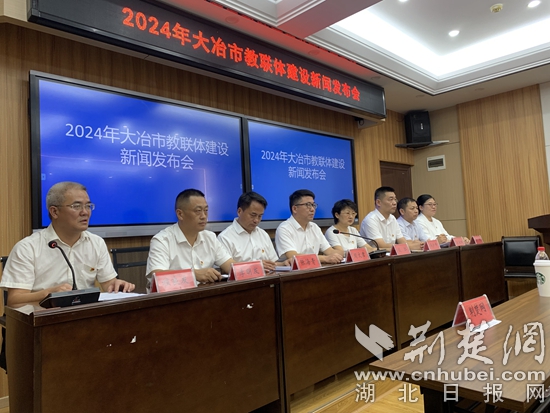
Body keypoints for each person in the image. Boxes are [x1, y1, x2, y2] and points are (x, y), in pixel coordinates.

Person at [0, 182, 135, 306]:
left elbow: (108, 284)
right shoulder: (27, 248)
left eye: (88, 206)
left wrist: (116, 285)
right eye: (76, 206)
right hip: (44, 320)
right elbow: (14, 300)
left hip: (85, 318)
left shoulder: (96, 243)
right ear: (54, 212)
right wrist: (49, 294)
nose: (85, 212)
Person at [146, 189, 234, 283]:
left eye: (206, 210)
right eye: (198, 211)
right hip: (177, 292)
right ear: (180, 214)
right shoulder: (162, 240)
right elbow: (158, 277)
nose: (204, 216)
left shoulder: (210, 237)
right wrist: (193, 274)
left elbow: (231, 267)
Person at [218, 192, 291, 272]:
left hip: (268, 278)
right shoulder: (225, 237)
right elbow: (226, 269)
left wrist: (284, 263)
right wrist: (256, 266)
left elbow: (271, 264)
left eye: (260, 216)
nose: (256, 220)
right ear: (239, 211)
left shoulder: (263, 234)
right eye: (253, 215)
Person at [275, 189, 343, 264]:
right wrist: (325, 258)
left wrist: (343, 255)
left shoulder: (315, 227)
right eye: (308, 205)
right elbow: (293, 256)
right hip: (294, 270)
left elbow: (330, 251)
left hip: (314, 268)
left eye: (313, 205)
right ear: (295, 209)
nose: (312, 209)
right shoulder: (284, 228)